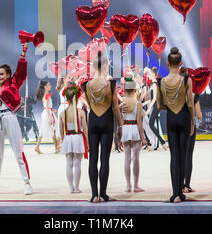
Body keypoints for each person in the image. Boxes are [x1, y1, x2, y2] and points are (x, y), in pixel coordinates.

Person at [0, 42, 32, 196]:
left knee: (18, 151)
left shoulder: (12, 84)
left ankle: (27, 182)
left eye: (1, 74)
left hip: (10, 118)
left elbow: (21, 72)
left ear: (8, 75)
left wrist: (23, 54)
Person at [82, 51, 123, 203]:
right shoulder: (111, 84)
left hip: (93, 121)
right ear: (105, 66)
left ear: (93, 67)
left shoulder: (86, 85)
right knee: (104, 159)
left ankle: (94, 195)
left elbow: (90, 105)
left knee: (93, 158)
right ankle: (103, 194)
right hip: (106, 122)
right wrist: (120, 127)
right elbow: (115, 108)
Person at [156, 47, 195, 203]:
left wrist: (169, 108)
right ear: (180, 63)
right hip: (184, 117)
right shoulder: (186, 80)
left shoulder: (161, 82)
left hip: (171, 119)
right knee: (183, 156)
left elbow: (159, 106)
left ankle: (175, 194)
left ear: (167, 62)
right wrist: (192, 122)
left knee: (174, 157)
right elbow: (191, 105)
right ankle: (181, 191)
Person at [118, 75, 147, 193]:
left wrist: (118, 135)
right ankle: (135, 185)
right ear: (135, 90)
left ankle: (128, 185)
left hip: (125, 128)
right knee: (136, 158)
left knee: (127, 158)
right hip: (135, 128)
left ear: (124, 91)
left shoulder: (121, 104)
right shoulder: (138, 103)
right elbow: (140, 122)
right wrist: (143, 137)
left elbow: (119, 122)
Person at [59, 83, 88, 194]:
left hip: (68, 137)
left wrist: (63, 141)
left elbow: (61, 130)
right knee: (77, 163)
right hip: (78, 137)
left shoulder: (62, 113)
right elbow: (85, 129)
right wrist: (87, 142)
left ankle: (71, 187)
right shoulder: (80, 112)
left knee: (69, 163)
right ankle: (76, 187)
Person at [183, 92, 203, 193]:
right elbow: (199, 115)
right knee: (188, 156)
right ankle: (186, 186)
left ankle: (179, 185)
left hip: (178, 125)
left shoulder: (176, 92)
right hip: (190, 125)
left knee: (179, 155)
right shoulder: (194, 96)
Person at [145, 67, 168, 151]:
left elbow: (154, 98)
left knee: (151, 124)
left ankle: (162, 142)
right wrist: (145, 103)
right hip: (153, 106)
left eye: (150, 74)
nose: (148, 76)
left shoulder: (154, 84)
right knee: (151, 124)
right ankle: (162, 142)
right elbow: (151, 99)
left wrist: (148, 109)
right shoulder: (152, 84)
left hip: (156, 106)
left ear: (154, 75)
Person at [35, 80, 59, 154]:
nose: (50, 85)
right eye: (48, 84)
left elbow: (47, 107)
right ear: (45, 86)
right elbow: (47, 107)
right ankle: (56, 147)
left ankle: (37, 147)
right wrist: (50, 117)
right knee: (52, 130)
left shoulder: (45, 95)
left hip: (47, 112)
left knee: (45, 130)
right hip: (47, 114)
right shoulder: (46, 96)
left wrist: (53, 110)